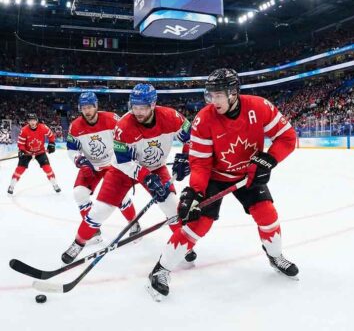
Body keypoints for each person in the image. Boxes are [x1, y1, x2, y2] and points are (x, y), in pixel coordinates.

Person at [147, 68, 299, 301]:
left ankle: (275, 256)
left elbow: (287, 138)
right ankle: (161, 269)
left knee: (267, 214)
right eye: (210, 95)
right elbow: (200, 163)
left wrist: (269, 160)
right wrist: (195, 192)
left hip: (248, 174)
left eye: (219, 95)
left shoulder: (259, 107)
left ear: (234, 93)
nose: (213, 100)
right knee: (198, 223)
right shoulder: (204, 119)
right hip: (215, 177)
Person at [61, 84, 192, 264]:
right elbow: (124, 161)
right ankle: (79, 242)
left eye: (142, 108)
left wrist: (186, 156)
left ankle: (182, 246)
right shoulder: (123, 125)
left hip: (156, 167)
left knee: (172, 207)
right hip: (122, 171)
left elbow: (193, 136)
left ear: (153, 105)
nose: (137, 112)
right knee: (100, 211)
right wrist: (145, 176)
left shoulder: (171, 116)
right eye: (134, 107)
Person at [66, 91, 137, 247]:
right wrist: (80, 160)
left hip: (113, 163)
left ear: (96, 106)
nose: (87, 111)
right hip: (90, 165)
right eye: (84, 108)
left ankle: (134, 224)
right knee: (79, 193)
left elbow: (126, 136)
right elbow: (72, 149)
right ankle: (94, 230)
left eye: (90, 107)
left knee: (121, 196)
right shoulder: (75, 126)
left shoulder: (112, 119)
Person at [7, 113, 60, 195]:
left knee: (47, 168)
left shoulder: (43, 127)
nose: (32, 122)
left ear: (37, 120)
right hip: (27, 152)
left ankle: (55, 184)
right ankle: (11, 185)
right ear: (28, 121)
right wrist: (21, 150)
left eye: (34, 120)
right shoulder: (24, 130)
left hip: (40, 152)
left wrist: (51, 144)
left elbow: (51, 136)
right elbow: (21, 143)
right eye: (30, 120)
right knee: (20, 169)